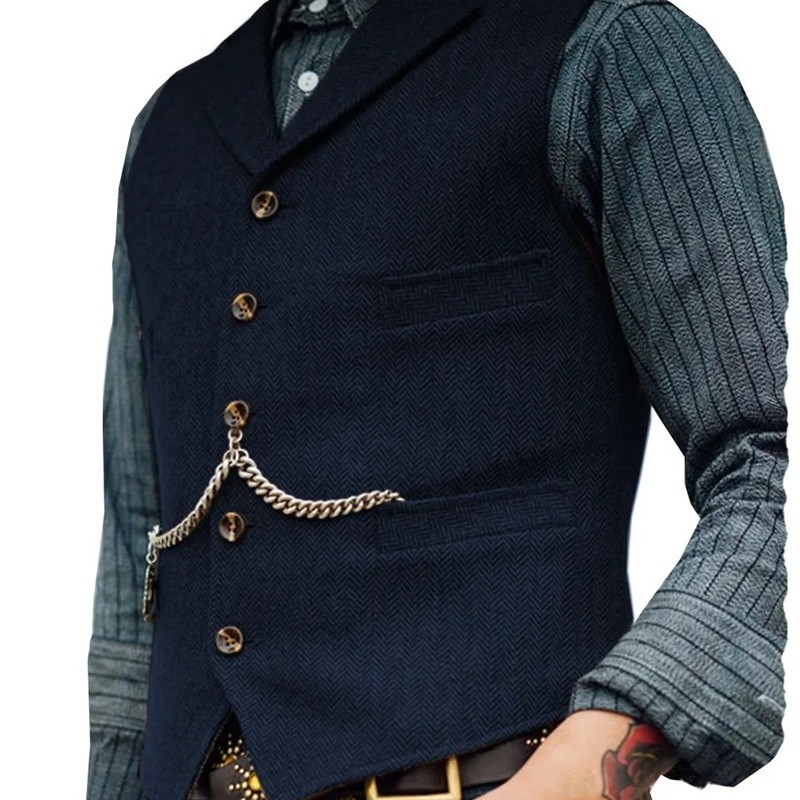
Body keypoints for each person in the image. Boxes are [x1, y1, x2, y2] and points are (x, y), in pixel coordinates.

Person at [86, 1, 789, 799]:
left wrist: (590, 770)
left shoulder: (606, 50)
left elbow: (764, 471)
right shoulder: (169, 130)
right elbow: (135, 567)